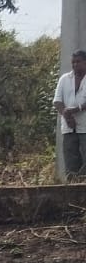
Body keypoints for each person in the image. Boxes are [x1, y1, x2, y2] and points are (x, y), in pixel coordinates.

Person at [54, 49, 86, 180]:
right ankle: (72, 189)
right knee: (71, 160)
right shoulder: (65, 79)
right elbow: (57, 101)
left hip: (85, 127)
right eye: (73, 62)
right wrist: (66, 115)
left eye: (78, 62)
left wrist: (75, 109)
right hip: (68, 127)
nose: (75, 65)